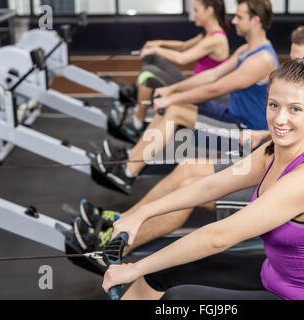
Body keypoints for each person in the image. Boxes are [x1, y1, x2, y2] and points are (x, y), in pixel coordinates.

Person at [76, 22, 304, 255]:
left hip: (284, 198)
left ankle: (112, 250)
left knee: (191, 191)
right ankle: (123, 221)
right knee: (189, 169)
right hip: (269, 169)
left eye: (303, 61)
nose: (297, 67)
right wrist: (263, 134)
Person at [101, 56, 304, 300]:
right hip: (275, 275)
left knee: (178, 300)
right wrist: (140, 214)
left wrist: (134, 267)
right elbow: (211, 186)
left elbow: (217, 238)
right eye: (274, 105)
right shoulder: (270, 152)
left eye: (295, 109)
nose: (279, 118)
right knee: (159, 274)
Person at [93, 0, 279, 196]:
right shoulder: (244, 50)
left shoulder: (262, 59)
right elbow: (211, 75)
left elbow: (214, 88)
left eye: (240, 17)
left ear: (255, 20)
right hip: (232, 117)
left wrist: (171, 98)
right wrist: (172, 90)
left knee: (174, 111)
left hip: (246, 135)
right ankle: (132, 160)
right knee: (174, 109)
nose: (233, 21)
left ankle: (128, 171)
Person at [113, 0, 230, 142]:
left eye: (196, 10)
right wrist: (159, 43)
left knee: (148, 74)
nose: (194, 15)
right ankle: (138, 103)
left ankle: (137, 121)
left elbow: (182, 58)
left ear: (209, 11)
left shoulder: (216, 39)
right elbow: (183, 46)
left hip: (198, 96)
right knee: (153, 59)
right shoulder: (208, 35)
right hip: (192, 86)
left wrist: (157, 49)